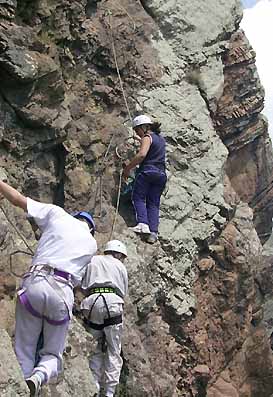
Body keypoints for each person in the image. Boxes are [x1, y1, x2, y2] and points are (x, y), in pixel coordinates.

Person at [0, 180, 97, 396]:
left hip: (35, 282)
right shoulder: (91, 245)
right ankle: (39, 376)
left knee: (24, 348)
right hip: (62, 293)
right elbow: (79, 282)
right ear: (91, 229)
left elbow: (18, 200)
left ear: (75, 217)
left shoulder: (58, 214)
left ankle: (23, 382)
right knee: (53, 354)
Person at [81, 240, 128, 397]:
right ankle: (109, 392)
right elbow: (123, 292)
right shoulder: (120, 266)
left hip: (92, 302)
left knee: (94, 347)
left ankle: (94, 385)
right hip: (112, 303)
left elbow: (83, 285)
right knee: (113, 350)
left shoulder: (93, 260)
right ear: (119, 254)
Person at [123, 115, 167, 244]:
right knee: (153, 203)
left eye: (137, 130)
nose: (137, 133)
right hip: (161, 174)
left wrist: (128, 169)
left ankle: (143, 223)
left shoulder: (147, 138)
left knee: (138, 197)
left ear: (144, 127)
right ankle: (153, 232)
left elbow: (142, 154)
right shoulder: (160, 139)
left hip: (148, 171)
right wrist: (141, 139)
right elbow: (154, 149)